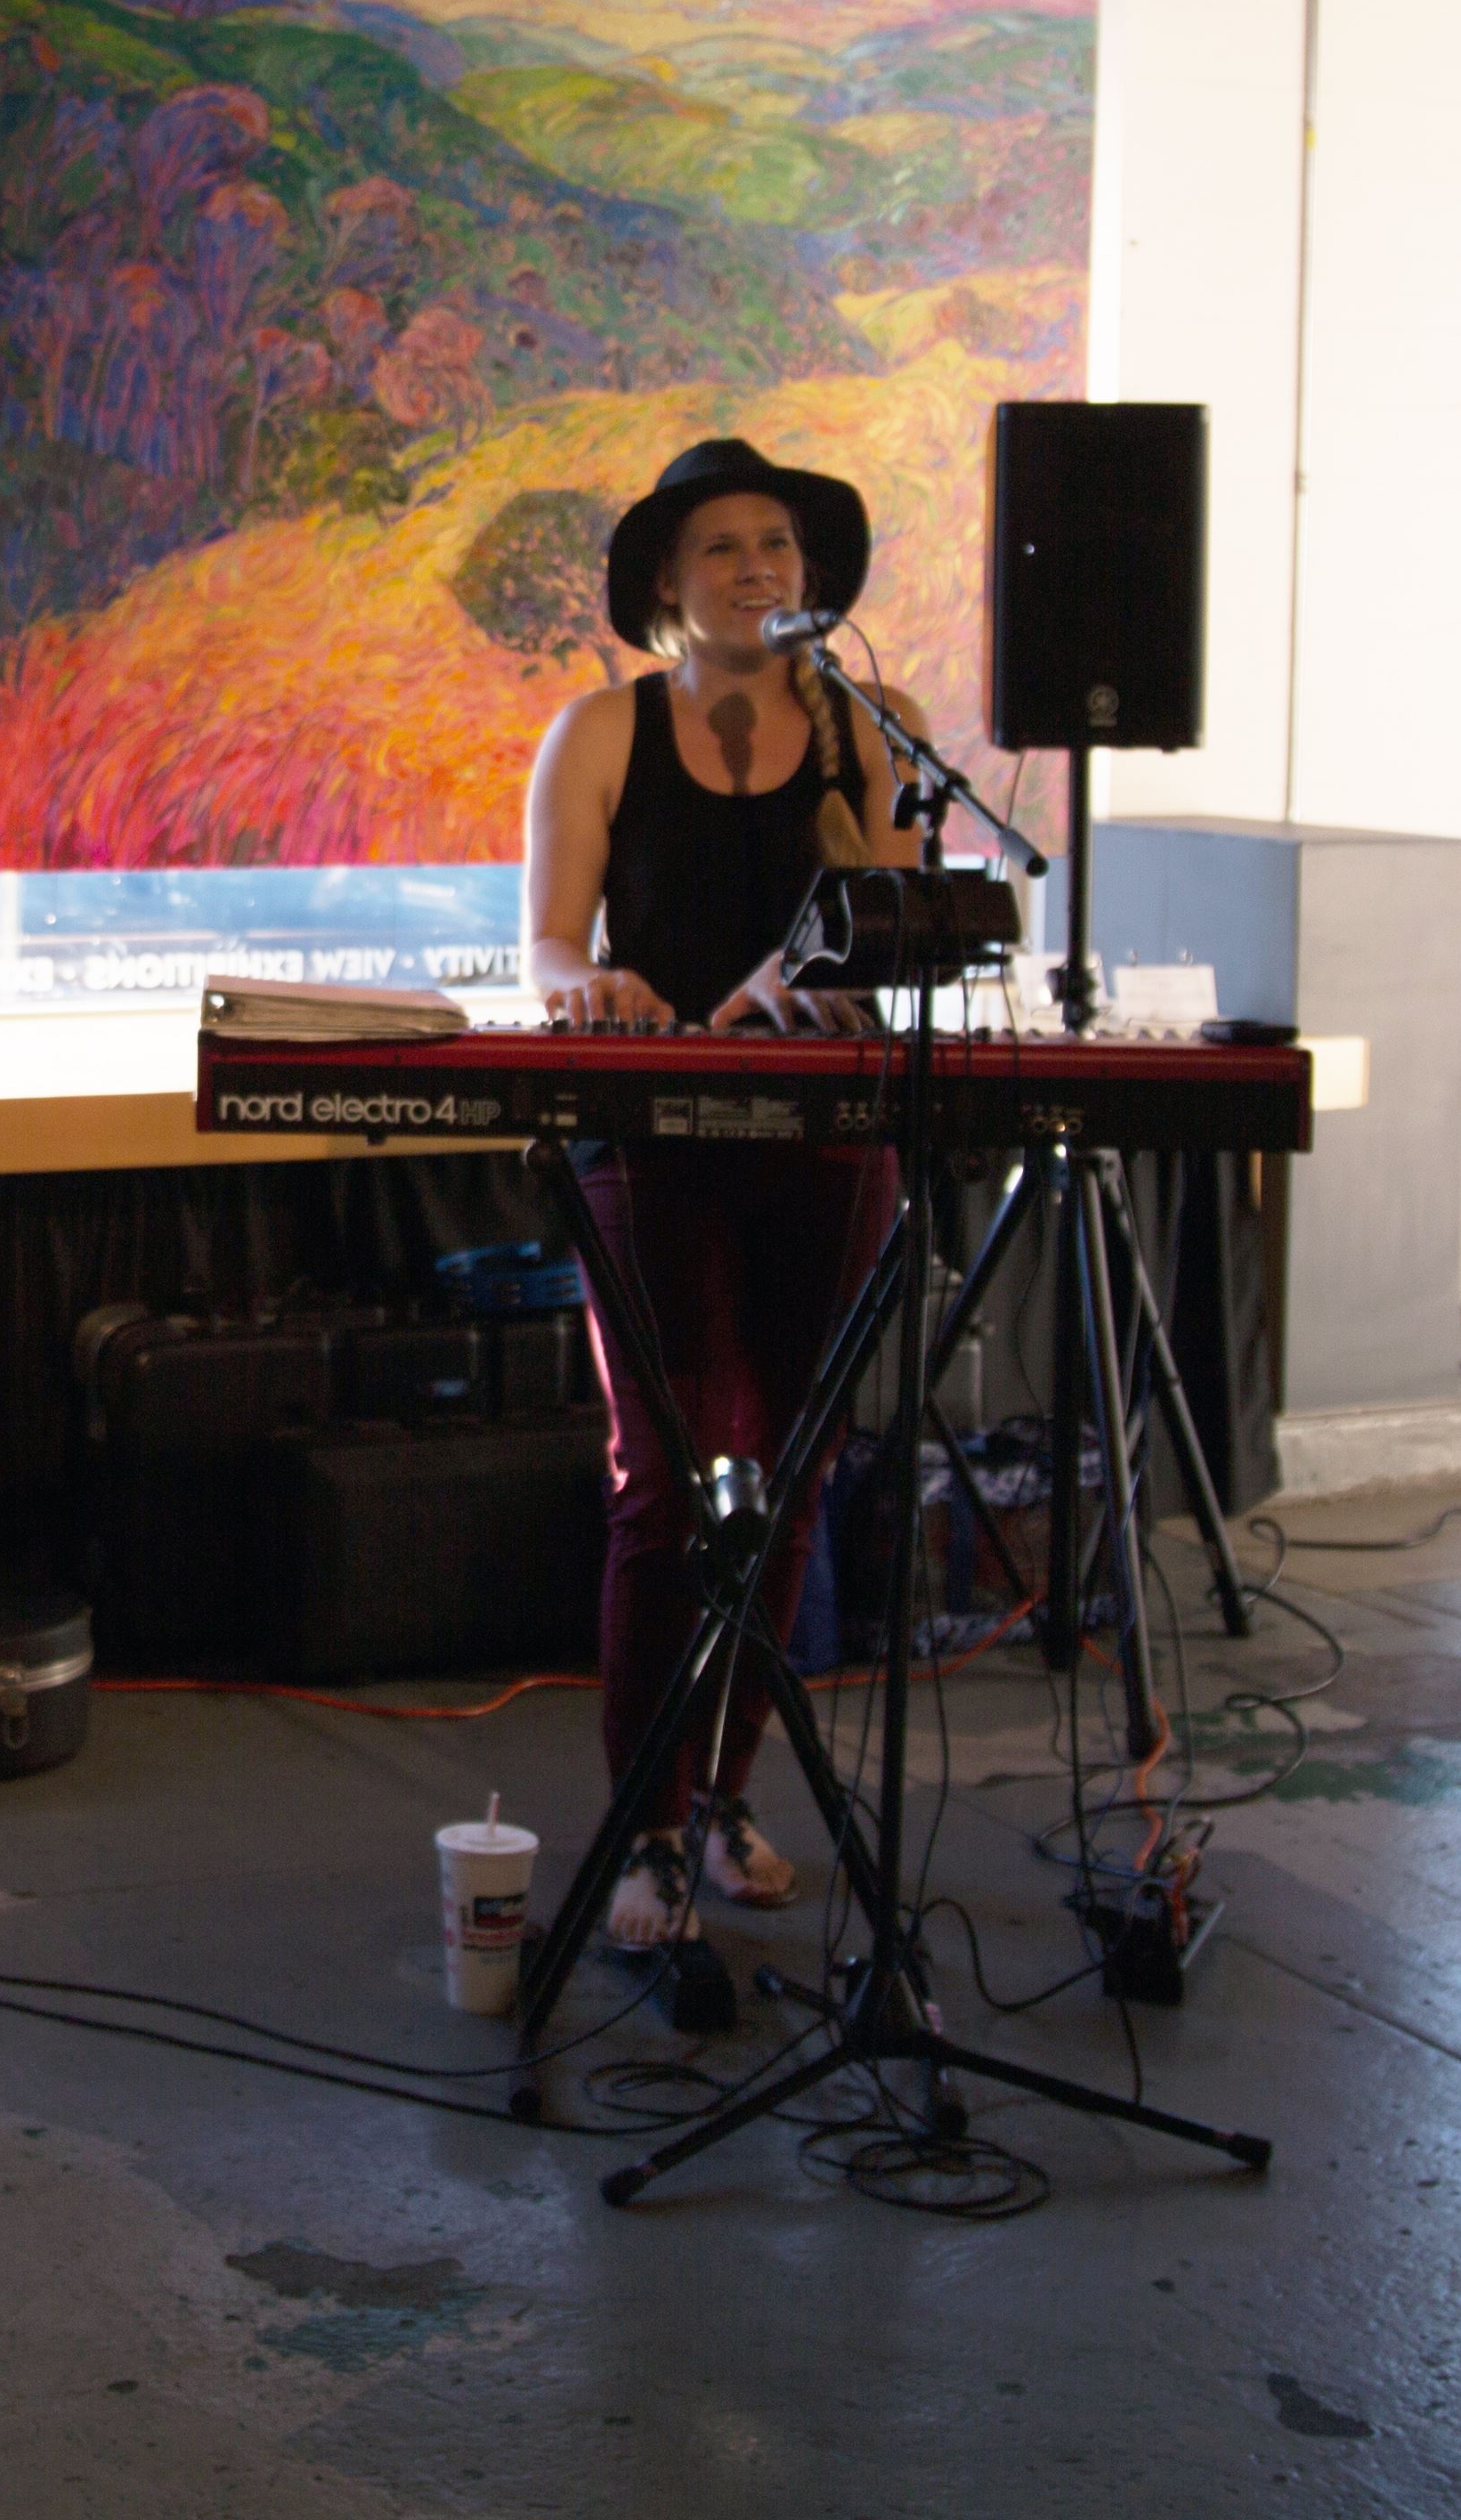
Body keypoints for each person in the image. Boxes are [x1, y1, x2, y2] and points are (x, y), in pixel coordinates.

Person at [520, 438, 919, 1957]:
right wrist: (598, 981)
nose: (759, 569)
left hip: (826, 1138)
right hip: (655, 1134)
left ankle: (728, 1797)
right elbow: (548, 948)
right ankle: (645, 1819)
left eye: (777, 546)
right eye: (723, 550)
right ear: (667, 587)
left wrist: (827, 983)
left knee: (798, 1473)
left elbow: (890, 932)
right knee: (672, 1474)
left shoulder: (875, 729)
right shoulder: (602, 729)